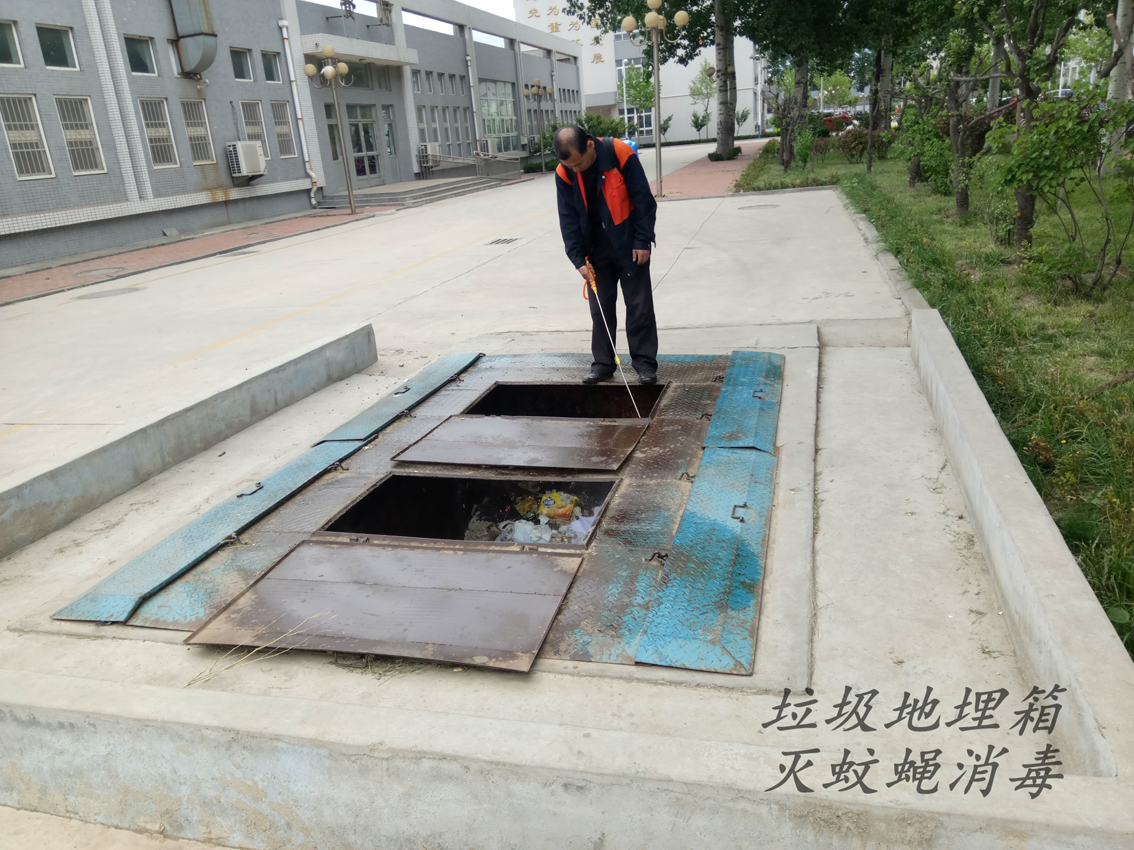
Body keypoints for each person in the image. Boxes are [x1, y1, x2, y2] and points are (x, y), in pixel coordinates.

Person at [553, 126, 658, 385]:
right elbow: (567, 218)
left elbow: (643, 200)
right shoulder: (564, 171)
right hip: (595, 250)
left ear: (590, 145)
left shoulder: (618, 153)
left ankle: (644, 364)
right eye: (570, 166)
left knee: (639, 306)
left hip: (629, 243)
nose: (576, 169)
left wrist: (642, 240)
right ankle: (602, 364)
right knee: (600, 308)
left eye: (579, 163)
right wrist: (578, 259)